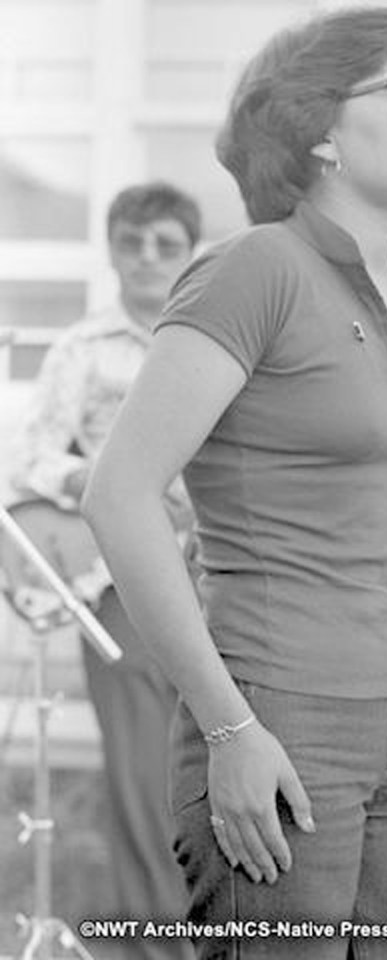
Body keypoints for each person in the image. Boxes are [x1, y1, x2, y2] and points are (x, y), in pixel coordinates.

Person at [82, 8, 387, 959]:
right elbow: (120, 494)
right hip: (277, 711)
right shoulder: (254, 267)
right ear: (319, 133)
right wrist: (230, 727)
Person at [12, 182, 201, 960]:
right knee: (144, 786)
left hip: (228, 573)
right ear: (112, 249)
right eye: (133, 242)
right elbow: (28, 459)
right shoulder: (82, 349)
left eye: (166, 242)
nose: (149, 257)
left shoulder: (220, 339)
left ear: (192, 250)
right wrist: (112, 488)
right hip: (122, 584)